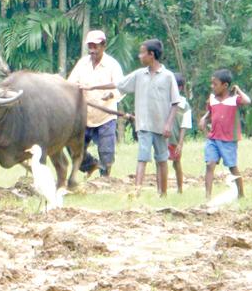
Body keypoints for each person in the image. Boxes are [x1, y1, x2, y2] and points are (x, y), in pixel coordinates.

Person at [83, 39, 180, 196]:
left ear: (151, 55)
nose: (139, 56)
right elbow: (117, 84)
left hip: (161, 127)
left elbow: (175, 103)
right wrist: (94, 87)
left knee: (162, 160)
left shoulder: (168, 76)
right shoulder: (139, 75)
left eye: (142, 53)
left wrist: (168, 125)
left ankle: (163, 193)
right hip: (143, 125)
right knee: (142, 158)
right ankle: (137, 191)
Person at [68, 30, 124, 178]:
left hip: (105, 116)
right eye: (90, 46)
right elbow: (71, 84)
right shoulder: (82, 64)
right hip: (84, 116)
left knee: (106, 153)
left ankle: (104, 180)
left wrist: (111, 94)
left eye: (95, 46)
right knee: (73, 148)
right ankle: (90, 165)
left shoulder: (112, 65)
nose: (92, 50)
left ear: (103, 46)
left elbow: (121, 86)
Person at [199, 69, 251, 199]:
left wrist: (238, 89)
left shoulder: (234, 100)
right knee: (210, 164)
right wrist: (204, 119)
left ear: (225, 85)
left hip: (228, 140)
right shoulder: (212, 99)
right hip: (213, 138)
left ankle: (241, 194)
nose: (212, 87)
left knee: (232, 167)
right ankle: (208, 197)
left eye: (215, 84)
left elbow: (247, 101)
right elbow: (210, 113)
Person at [168, 72, 192, 194]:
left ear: (180, 88)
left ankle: (180, 188)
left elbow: (184, 126)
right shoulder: (164, 101)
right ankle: (162, 189)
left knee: (176, 163)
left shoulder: (184, 106)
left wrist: (180, 143)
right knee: (161, 162)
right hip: (163, 139)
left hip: (175, 139)